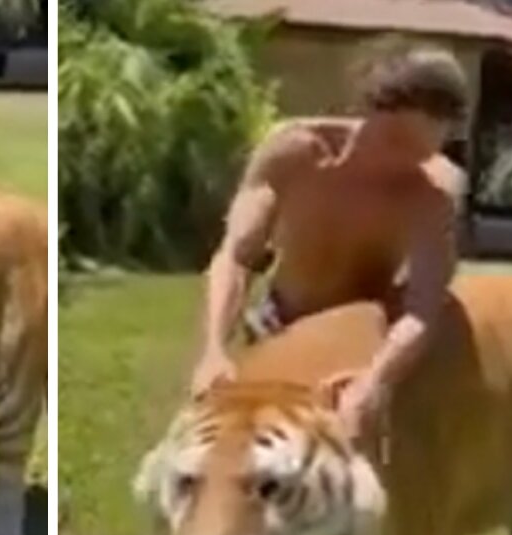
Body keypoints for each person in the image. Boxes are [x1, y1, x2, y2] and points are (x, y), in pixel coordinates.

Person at [188, 37, 469, 445]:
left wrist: (375, 379)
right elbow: (237, 255)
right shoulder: (295, 152)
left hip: (363, 337)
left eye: (419, 152)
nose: (400, 162)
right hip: (280, 323)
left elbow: (422, 309)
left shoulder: (435, 189)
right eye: (394, 140)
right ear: (366, 108)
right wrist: (213, 349)